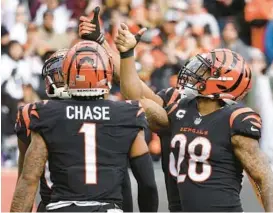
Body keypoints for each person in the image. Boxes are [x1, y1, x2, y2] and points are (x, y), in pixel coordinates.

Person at [115, 23, 273, 212]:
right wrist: (126, 54)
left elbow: (263, 177)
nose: (196, 73)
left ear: (222, 82)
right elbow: (135, 95)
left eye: (205, 71)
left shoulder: (234, 120)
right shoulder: (178, 106)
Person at [10, 40, 159, 212]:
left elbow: (27, 178)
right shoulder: (126, 113)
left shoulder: (43, 114)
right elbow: (147, 183)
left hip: (58, 207)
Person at [78, 8, 183, 211]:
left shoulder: (234, 119)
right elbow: (135, 91)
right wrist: (106, 44)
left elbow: (258, 170)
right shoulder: (177, 105)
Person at [14, 49, 71, 212]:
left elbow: (25, 180)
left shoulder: (34, 113)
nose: (60, 78)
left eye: (64, 73)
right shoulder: (110, 112)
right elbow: (25, 178)